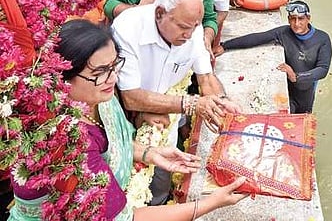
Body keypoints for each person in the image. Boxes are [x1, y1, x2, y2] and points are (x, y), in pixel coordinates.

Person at [7, 19, 247, 220]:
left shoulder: (97, 95)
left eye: (114, 66)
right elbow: (127, 218)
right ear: (62, 78)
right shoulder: (64, 141)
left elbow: (109, 139)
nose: (112, 77)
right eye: (100, 72)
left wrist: (149, 153)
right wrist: (209, 204)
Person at [112, 0, 241, 205]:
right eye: (183, 27)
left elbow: (206, 78)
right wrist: (191, 104)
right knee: (130, 190)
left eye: (194, 26)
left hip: (165, 119)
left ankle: (162, 203)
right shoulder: (128, 27)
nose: (189, 35)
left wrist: (221, 104)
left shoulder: (192, 28)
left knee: (162, 180)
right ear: (160, 13)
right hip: (125, 123)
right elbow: (130, 97)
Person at [214, 0, 332, 113]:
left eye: (301, 19)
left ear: (308, 19)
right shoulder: (284, 33)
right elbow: (257, 38)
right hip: (288, 91)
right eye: (292, 19)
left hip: (305, 93)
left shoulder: (322, 39)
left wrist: (296, 76)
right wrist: (225, 46)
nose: (296, 24)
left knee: (301, 123)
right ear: (288, 19)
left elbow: (323, 69)